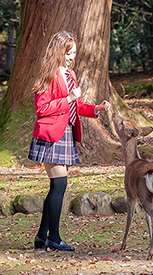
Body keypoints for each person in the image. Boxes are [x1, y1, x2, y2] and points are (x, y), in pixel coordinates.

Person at [28, 30, 109, 252]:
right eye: (68, 53)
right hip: (51, 135)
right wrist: (68, 98)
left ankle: (42, 236)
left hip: (66, 133)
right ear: (58, 51)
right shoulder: (48, 74)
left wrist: (96, 109)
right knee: (59, 185)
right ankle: (53, 238)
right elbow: (41, 108)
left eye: (74, 53)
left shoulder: (70, 74)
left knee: (57, 186)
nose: (72, 57)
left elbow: (77, 106)